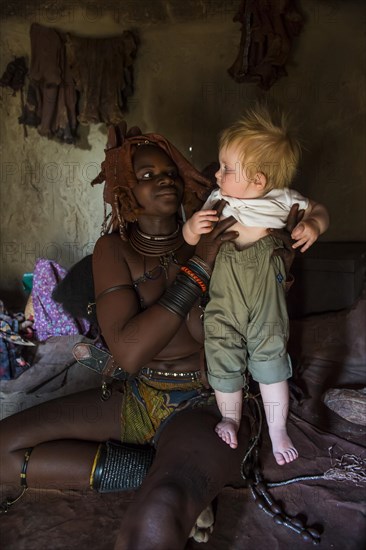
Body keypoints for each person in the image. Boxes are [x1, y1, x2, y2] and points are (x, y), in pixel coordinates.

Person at [0, 124, 301, 550]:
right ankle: (149, 466)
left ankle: (175, 473)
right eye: (146, 175)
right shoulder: (115, 250)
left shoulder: (222, 231)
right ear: (124, 190)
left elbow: (261, 297)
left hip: (208, 402)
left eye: (170, 173)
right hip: (138, 395)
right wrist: (198, 268)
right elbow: (129, 353)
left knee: (163, 506)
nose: (164, 180)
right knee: (2, 448)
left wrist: (283, 257)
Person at [183, 106, 329, 465]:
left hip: (266, 300)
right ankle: (230, 418)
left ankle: (278, 430)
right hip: (225, 298)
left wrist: (313, 226)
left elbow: (320, 211)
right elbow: (188, 240)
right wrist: (194, 226)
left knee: (271, 360)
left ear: (259, 180)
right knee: (223, 352)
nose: (216, 174)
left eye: (226, 168)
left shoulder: (282, 201)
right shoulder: (218, 201)